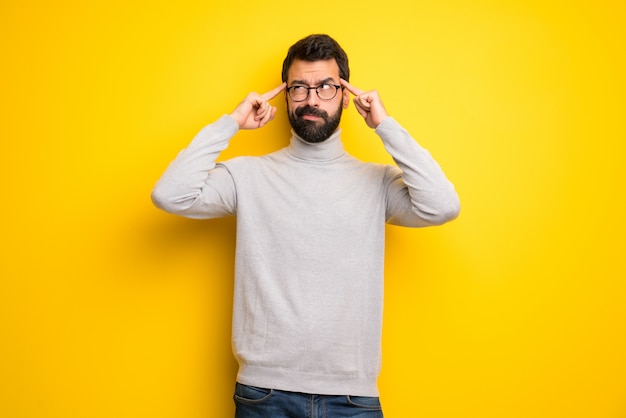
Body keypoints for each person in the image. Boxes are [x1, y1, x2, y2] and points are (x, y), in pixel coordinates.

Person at [152, 34, 460, 418]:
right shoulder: (249, 176)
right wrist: (230, 124)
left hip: (352, 397)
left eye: (326, 87)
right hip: (264, 394)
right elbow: (170, 194)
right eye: (299, 88)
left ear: (346, 96)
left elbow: (442, 205)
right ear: (285, 96)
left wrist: (385, 125)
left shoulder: (377, 183)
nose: (312, 99)